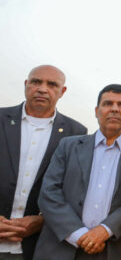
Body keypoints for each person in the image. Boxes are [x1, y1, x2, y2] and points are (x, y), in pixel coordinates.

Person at [34, 84, 121, 260]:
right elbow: (48, 193)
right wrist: (79, 234)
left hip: (112, 249)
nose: (114, 109)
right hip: (61, 247)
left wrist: (105, 230)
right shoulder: (69, 146)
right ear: (97, 111)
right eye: (107, 104)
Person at [0, 65, 87, 260]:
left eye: (52, 84)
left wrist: (42, 220)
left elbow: (73, 191)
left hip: (37, 246)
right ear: (26, 84)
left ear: (62, 91)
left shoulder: (76, 133)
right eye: (36, 82)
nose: (42, 89)